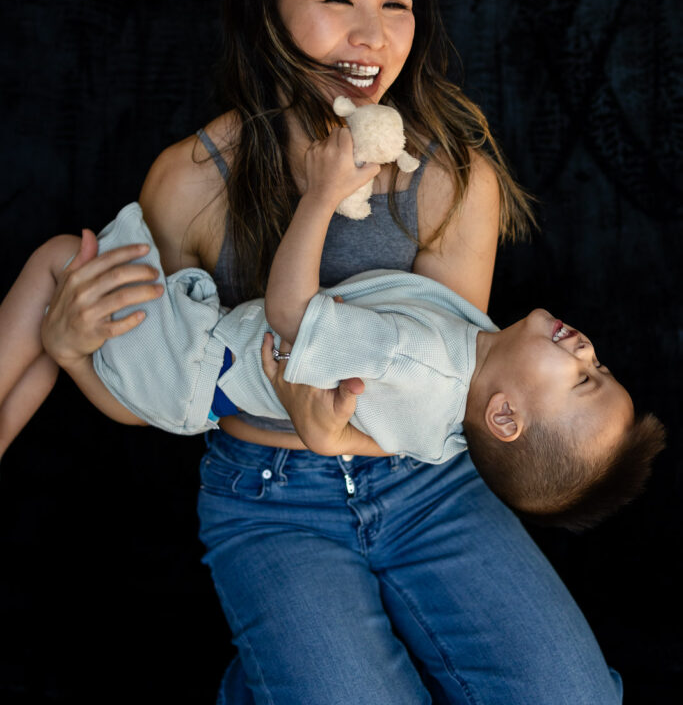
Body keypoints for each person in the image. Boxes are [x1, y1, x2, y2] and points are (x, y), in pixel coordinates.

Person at [37, 0, 633, 703]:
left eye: (396, 4)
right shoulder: (188, 182)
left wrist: (336, 435)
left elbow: (455, 392)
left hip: (429, 482)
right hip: (269, 499)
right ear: (266, 13)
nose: (373, 33)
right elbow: (174, 390)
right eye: (335, 0)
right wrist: (75, 356)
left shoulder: (451, 179)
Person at [0, 134, 662, 531]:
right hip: (192, 395)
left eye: (582, 379)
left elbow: (289, 312)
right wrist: (325, 434)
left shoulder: (417, 357)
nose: (586, 350)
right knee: (57, 335)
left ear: (506, 415)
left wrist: (320, 196)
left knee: (59, 260)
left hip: (188, 361)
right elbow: (373, 440)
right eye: (600, 366)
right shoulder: (456, 427)